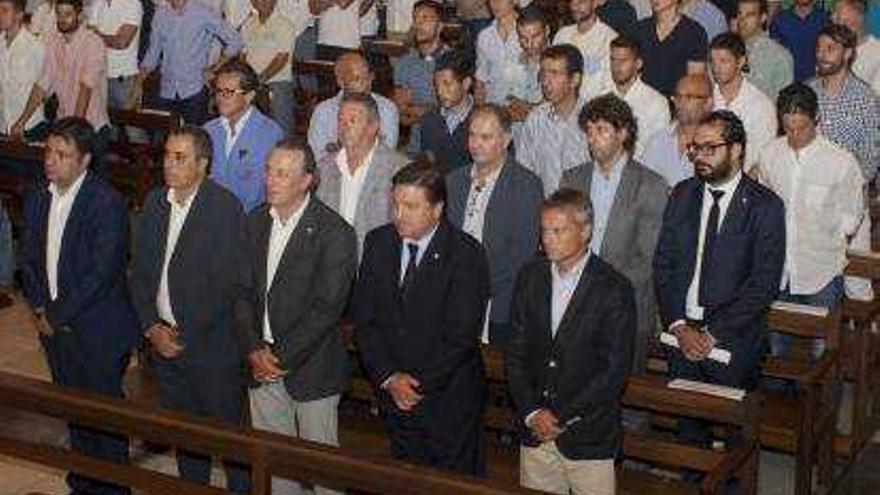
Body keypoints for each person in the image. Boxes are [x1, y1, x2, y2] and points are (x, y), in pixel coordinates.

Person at [19, 117, 138, 495]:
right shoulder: (39, 195)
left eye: (62, 155)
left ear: (84, 160)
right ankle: (82, 483)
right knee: (74, 414)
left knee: (104, 417)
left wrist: (54, 315)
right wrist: (39, 307)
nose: (50, 161)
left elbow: (100, 274)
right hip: (53, 328)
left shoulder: (106, 203)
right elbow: (29, 260)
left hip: (98, 329)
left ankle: (114, 489)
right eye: (49, 153)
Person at [653, 110, 785, 449]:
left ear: (737, 149)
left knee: (736, 438)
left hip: (733, 340)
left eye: (710, 148)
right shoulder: (682, 195)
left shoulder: (765, 206)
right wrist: (680, 326)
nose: (699, 156)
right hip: (681, 336)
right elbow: (664, 265)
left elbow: (763, 284)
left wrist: (712, 334)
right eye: (695, 148)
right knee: (689, 434)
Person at [129, 126, 251, 493]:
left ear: (202, 164)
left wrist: (181, 335)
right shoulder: (154, 202)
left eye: (179, 157)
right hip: (164, 343)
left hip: (211, 348)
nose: (168, 163)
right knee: (187, 438)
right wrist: (152, 328)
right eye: (166, 155)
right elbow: (139, 274)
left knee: (230, 444)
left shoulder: (224, 207)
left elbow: (227, 284)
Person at [354, 161, 490, 475]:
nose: (399, 214)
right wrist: (390, 378)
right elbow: (366, 321)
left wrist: (414, 385)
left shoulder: (466, 254)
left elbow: (461, 337)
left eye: (411, 206)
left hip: (448, 402)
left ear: (437, 208)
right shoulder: (379, 242)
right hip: (394, 399)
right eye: (396, 204)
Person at [243, 139, 356, 495]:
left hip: (312, 367)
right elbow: (241, 292)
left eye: (283, 174)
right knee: (275, 467)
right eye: (269, 171)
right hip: (261, 360)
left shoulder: (334, 232)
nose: (271, 181)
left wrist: (279, 357)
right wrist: (254, 349)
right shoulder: (254, 221)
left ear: (307, 180)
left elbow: (327, 308)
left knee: (322, 470)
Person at [506, 188, 635, 495]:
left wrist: (560, 416)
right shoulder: (530, 276)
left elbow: (613, 372)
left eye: (558, 230)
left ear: (586, 231)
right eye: (544, 230)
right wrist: (532, 412)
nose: (547, 239)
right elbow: (515, 354)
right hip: (535, 432)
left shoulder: (614, 289)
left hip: (587, 436)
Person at [560, 94, 667, 374]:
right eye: (589, 131)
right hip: (573, 300)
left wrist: (597, 288)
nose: (593, 138)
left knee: (629, 399)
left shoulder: (650, 185)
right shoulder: (572, 179)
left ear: (623, 133)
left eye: (602, 130)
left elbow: (647, 258)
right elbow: (560, 241)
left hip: (626, 305)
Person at [759, 82, 865, 358]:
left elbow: (851, 218)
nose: (794, 135)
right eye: (788, 128)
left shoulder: (840, 162)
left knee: (823, 358)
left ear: (816, 119)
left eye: (801, 128)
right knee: (775, 354)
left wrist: (827, 239)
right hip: (778, 272)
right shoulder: (771, 154)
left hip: (821, 273)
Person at [446, 104, 543, 347]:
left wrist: (476, 287)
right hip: (451, 296)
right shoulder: (453, 180)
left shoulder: (526, 184)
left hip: (500, 302)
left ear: (506, 140)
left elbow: (522, 255)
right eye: (472, 135)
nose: (476, 143)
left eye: (486, 137)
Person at [12, 0, 109, 161]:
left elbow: (85, 89)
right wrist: (22, 121)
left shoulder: (93, 42)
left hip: (90, 128)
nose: (62, 19)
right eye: (59, 13)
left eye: (68, 14)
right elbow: (42, 85)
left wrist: (74, 133)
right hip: (64, 125)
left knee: (91, 183)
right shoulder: (54, 41)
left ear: (79, 15)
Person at [316, 92, 410, 253]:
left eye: (352, 121)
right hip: (331, 264)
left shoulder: (399, 169)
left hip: (376, 264)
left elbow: (407, 229)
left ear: (373, 127)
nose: (344, 127)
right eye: (341, 120)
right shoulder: (324, 167)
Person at [137, 0, 242, 125]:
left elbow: (235, 40)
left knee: (195, 141)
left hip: (194, 91)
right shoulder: (160, 13)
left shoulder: (202, 11)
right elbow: (152, 55)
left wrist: (214, 69)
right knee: (168, 141)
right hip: (166, 91)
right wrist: (137, 85)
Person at [203, 59, 285, 212]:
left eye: (228, 92)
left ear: (249, 96)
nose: (220, 98)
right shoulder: (208, 130)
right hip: (210, 213)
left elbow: (258, 192)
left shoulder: (270, 134)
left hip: (250, 219)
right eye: (218, 91)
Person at [808, 23, 879, 183]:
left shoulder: (865, 99)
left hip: (848, 191)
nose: (821, 54)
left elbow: (871, 157)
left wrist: (847, 188)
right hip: (808, 186)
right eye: (819, 48)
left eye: (830, 49)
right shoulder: (807, 91)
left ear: (847, 53)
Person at [516, 44, 590, 195]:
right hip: (545, 209)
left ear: (575, 79)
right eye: (543, 74)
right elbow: (524, 172)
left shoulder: (592, 121)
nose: (545, 82)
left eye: (555, 74)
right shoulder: (536, 119)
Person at [307, 51, 399, 159]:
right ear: (340, 81)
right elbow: (318, 155)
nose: (366, 84)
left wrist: (336, 148)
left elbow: (386, 153)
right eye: (357, 79)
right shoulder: (323, 111)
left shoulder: (386, 108)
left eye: (368, 77)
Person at [709, 32, 778, 171]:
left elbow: (761, 160)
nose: (716, 68)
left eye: (724, 61)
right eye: (713, 61)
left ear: (740, 62)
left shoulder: (760, 105)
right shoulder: (706, 99)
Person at [640, 74, 714, 186]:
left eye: (689, 97)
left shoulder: (716, 145)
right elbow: (642, 184)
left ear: (708, 103)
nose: (681, 103)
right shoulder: (658, 140)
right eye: (678, 97)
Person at [241, 0, 300, 136]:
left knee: (281, 129)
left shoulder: (285, 25)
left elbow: (282, 59)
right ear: (252, 2)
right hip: (251, 83)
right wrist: (247, 80)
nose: (263, 2)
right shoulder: (247, 24)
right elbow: (242, 55)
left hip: (277, 82)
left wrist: (260, 80)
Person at [411, 50, 475, 171]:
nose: (440, 92)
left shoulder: (484, 120)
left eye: (447, 84)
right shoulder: (429, 120)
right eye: (437, 85)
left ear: (466, 84)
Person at [607, 35, 670, 154]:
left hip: (641, 169)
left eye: (623, 60)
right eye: (613, 60)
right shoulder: (600, 97)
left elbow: (660, 151)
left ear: (638, 64)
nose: (616, 66)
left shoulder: (656, 102)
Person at [631, 0, 708, 96]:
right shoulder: (640, 29)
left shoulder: (694, 32)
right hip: (643, 100)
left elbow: (695, 82)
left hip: (677, 103)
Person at [392, 0, 448, 127]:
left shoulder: (452, 60)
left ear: (440, 26)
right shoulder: (404, 63)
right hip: (416, 142)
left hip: (446, 140)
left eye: (425, 18)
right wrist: (432, 110)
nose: (418, 24)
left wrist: (413, 108)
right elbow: (402, 116)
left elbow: (450, 112)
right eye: (415, 19)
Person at [552, 0, 618, 101]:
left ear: (595, 3)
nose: (574, 7)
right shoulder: (562, 35)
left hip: (594, 109)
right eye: (572, 2)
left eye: (581, 1)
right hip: (561, 105)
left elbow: (611, 87)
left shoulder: (610, 39)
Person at [0, 0, 45, 137]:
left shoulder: (35, 46)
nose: (0, 15)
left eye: (4, 10)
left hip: (29, 125)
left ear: (19, 15)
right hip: (3, 124)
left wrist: (21, 122)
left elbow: (41, 89)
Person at [87, 0, 141, 111]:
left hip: (123, 77)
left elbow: (122, 42)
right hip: (99, 75)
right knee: (103, 124)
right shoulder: (97, 3)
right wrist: (107, 38)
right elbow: (88, 38)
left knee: (130, 125)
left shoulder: (132, 3)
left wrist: (97, 35)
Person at [735, 0, 794, 99]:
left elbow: (783, 103)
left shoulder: (779, 56)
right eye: (739, 14)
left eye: (749, 15)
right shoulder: (730, 49)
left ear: (763, 18)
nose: (742, 20)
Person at [506, 5, 549, 122]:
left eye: (535, 37)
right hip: (519, 134)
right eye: (523, 38)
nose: (529, 44)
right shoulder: (513, 60)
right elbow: (509, 101)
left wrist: (526, 109)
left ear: (547, 31)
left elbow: (553, 107)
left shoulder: (558, 62)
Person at [769, 0, 829, 82]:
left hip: (818, 82)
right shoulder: (779, 20)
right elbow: (773, 57)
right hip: (787, 84)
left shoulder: (825, 19)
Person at [475, 0, 521, 104]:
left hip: (523, 106)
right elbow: (481, 78)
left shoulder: (529, 31)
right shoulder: (484, 36)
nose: (495, 3)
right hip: (494, 105)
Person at [834, 0, 880, 92]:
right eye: (838, 20)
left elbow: (876, 97)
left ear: (860, 19)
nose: (839, 26)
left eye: (845, 21)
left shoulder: (877, 50)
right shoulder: (832, 46)